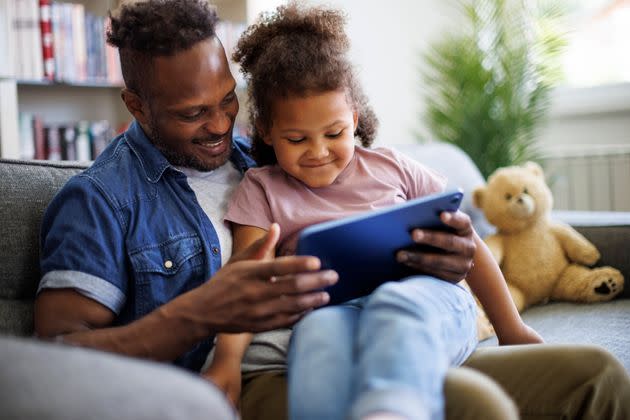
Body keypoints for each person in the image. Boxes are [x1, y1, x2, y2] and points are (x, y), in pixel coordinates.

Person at [31, 1, 629, 420]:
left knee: (597, 377)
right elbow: (54, 359)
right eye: (192, 114)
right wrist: (198, 316)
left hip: (388, 331)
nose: (219, 126)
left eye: (227, 102)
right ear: (135, 104)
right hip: (271, 375)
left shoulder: (269, 153)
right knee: (477, 408)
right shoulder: (100, 201)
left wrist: (442, 256)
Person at [207, 3, 541, 419]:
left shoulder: (393, 167)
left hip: (427, 299)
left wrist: (512, 329)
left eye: (335, 133)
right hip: (331, 313)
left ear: (354, 117)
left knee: (395, 307)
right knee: (316, 339)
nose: (318, 152)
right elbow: (246, 280)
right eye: (296, 139)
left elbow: (467, 243)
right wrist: (227, 361)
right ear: (267, 132)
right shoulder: (261, 189)